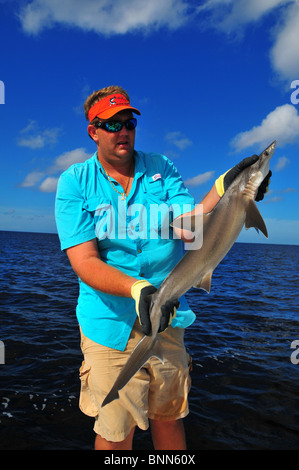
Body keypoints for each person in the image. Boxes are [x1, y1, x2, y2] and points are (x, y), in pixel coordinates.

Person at [55, 85, 271, 450]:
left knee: (169, 419)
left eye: (129, 122)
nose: (123, 130)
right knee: (116, 431)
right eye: (111, 124)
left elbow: (190, 224)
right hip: (110, 326)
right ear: (92, 131)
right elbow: (85, 262)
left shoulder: (161, 166)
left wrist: (228, 189)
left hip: (168, 318)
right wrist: (137, 288)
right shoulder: (74, 182)